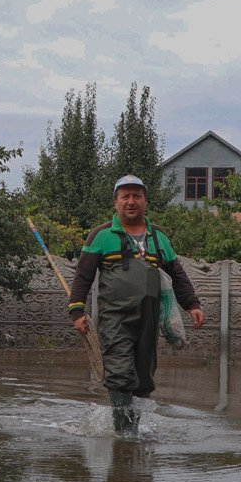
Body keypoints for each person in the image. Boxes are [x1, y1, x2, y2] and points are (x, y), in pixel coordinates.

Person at [69, 175, 205, 432]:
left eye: (137, 196)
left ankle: (133, 432)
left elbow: (177, 274)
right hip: (115, 319)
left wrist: (192, 304)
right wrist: (76, 310)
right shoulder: (101, 235)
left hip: (149, 319)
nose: (131, 202)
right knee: (120, 373)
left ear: (145, 201)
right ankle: (124, 436)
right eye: (125, 196)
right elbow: (83, 277)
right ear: (116, 202)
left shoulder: (159, 237)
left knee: (143, 379)